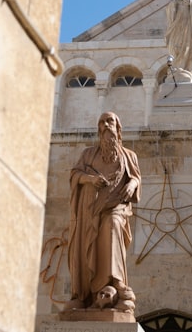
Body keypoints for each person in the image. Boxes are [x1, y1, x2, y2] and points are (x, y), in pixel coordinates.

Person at [66, 112, 141, 313]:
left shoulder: (128, 155)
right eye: (102, 122)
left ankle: (116, 282)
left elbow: (135, 177)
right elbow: (75, 175)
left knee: (113, 224)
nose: (106, 125)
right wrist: (90, 180)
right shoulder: (88, 154)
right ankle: (84, 294)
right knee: (86, 242)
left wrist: (132, 185)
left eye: (110, 121)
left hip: (116, 207)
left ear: (118, 128)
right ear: (99, 129)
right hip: (89, 209)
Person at [164, 0, 192, 80]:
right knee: (175, 45)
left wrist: (189, 3)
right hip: (176, 25)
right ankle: (176, 66)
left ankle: (184, 68)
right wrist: (174, 4)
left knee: (186, 45)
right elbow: (169, 10)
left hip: (187, 26)